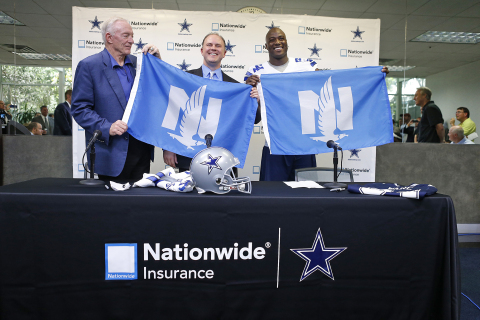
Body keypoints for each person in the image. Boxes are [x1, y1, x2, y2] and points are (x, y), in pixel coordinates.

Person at [244, 27, 388, 181]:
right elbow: (254, 118)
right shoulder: (256, 73)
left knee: (306, 196)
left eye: (281, 38)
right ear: (266, 46)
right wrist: (250, 94)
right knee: (273, 197)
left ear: (287, 43)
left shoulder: (307, 66)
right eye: (272, 40)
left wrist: (372, 76)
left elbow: (333, 84)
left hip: (304, 144)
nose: (277, 42)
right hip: (275, 146)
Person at [71, 17, 160, 181]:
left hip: (141, 151)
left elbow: (155, 92)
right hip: (111, 153)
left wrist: (156, 61)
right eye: (126, 36)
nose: (132, 41)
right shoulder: (89, 66)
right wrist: (106, 126)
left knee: (139, 204)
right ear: (109, 38)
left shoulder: (137, 63)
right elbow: (79, 109)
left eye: (132, 36)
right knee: (113, 206)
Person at [162, 32, 240, 172]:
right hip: (188, 157)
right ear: (202, 51)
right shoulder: (184, 78)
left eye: (218, 46)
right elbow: (172, 112)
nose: (213, 48)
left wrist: (255, 99)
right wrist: (168, 146)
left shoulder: (235, 86)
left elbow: (254, 119)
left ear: (224, 53)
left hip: (223, 159)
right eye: (209, 45)